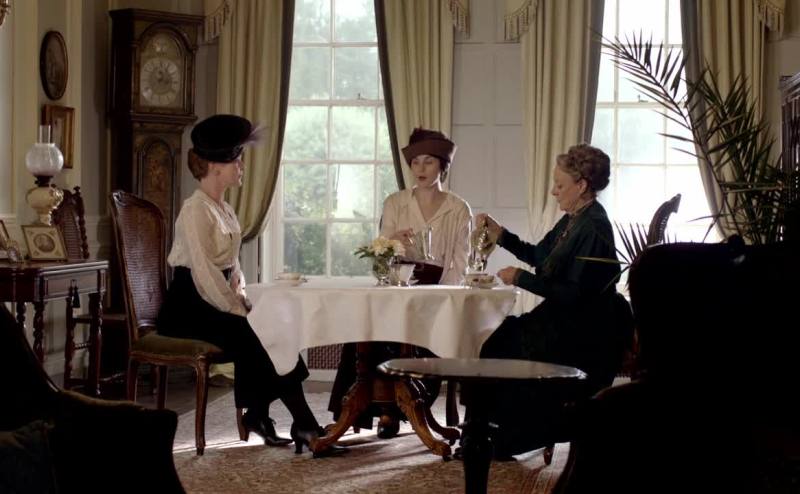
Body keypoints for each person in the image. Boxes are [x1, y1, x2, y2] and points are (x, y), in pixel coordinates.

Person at [157, 114, 345, 457]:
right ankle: (302, 424)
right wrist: (234, 306)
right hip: (187, 306)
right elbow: (203, 272)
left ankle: (262, 415)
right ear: (216, 167)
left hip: (214, 297)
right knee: (253, 331)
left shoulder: (224, 209)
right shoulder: (194, 210)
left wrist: (241, 296)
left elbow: (233, 266)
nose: (242, 166)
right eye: (237, 160)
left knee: (268, 326)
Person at [473, 143, 633, 458]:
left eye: (560, 185)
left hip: (582, 330)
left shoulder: (593, 226)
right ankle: (488, 430)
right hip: (561, 318)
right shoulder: (574, 218)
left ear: (582, 185)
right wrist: (501, 235)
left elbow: (574, 294)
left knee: (499, 342)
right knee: (491, 335)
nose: (553, 192)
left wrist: (521, 278)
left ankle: (507, 435)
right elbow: (539, 255)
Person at [328, 128, 472, 438]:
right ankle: (379, 411)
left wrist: (436, 297)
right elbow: (380, 261)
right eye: (415, 162)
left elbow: (461, 264)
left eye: (428, 162)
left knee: (421, 337)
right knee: (367, 329)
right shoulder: (395, 203)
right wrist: (392, 242)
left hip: (437, 297)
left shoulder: (458, 209)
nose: (420, 169)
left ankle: (402, 408)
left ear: (443, 166)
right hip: (397, 291)